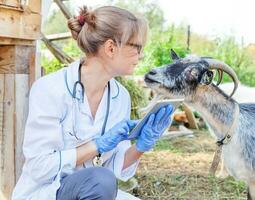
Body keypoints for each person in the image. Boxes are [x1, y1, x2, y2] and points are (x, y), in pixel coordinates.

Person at [12, 5, 173, 200]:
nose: (141, 55)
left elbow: (114, 169)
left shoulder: (120, 96)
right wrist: (97, 145)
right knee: (100, 180)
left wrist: (141, 146)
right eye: (137, 47)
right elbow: (39, 167)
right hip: (47, 192)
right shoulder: (50, 89)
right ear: (111, 48)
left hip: (93, 191)